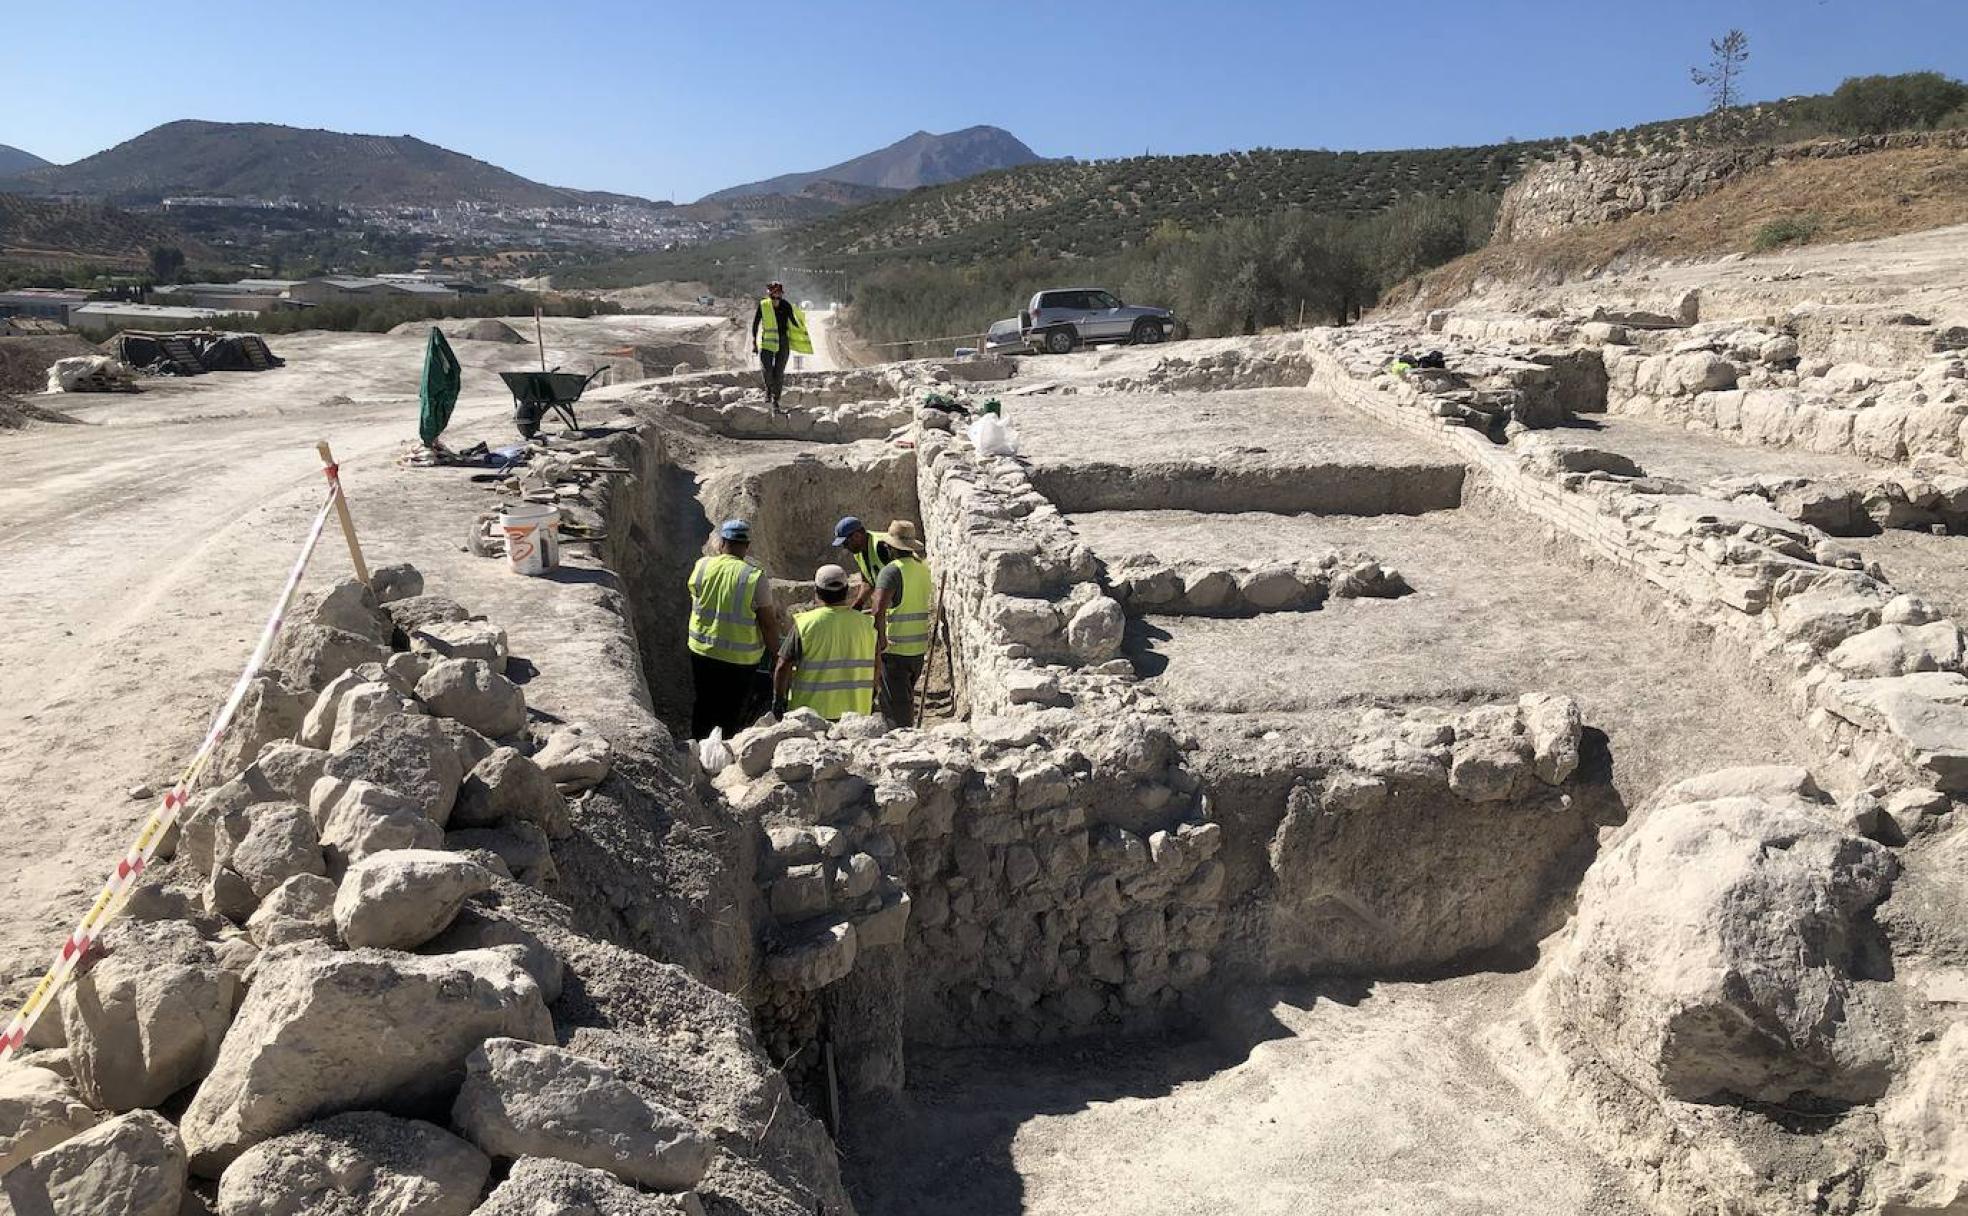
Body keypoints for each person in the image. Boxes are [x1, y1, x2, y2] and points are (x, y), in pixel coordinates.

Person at [685, 519, 779, 740]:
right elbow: (767, 622)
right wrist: (776, 656)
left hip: (702, 650)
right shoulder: (754, 577)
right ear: (746, 546)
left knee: (703, 703)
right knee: (731, 710)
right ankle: (723, 757)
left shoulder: (702, 566)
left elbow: (698, 596)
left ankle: (697, 752)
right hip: (739, 659)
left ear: (721, 543)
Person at [774, 564, 878, 722]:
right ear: (846, 591)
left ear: (816, 592)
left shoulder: (805, 624)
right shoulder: (867, 625)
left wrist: (778, 701)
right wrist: (873, 695)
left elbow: (783, 666)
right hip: (856, 716)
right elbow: (877, 665)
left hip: (810, 717)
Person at [868, 519, 932, 727]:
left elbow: (878, 609)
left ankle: (903, 748)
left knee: (896, 712)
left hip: (895, 648)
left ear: (890, 546)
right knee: (904, 699)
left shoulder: (891, 571)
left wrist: (880, 640)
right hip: (918, 648)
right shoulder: (922, 568)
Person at [750, 281, 811, 408]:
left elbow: (794, 321)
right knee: (767, 370)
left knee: (779, 372)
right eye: (773, 296)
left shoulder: (786, 305)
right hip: (768, 340)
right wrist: (754, 342)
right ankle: (768, 390)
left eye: (778, 296)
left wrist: (801, 327)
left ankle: (775, 399)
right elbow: (755, 323)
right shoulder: (763, 305)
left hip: (783, 341)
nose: (776, 299)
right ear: (769, 295)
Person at [831, 515, 891, 611]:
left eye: (846, 543)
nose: (845, 547)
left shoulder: (881, 547)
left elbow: (898, 580)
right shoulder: (859, 552)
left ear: (857, 536)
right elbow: (868, 581)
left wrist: (878, 609)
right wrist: (858, 605)